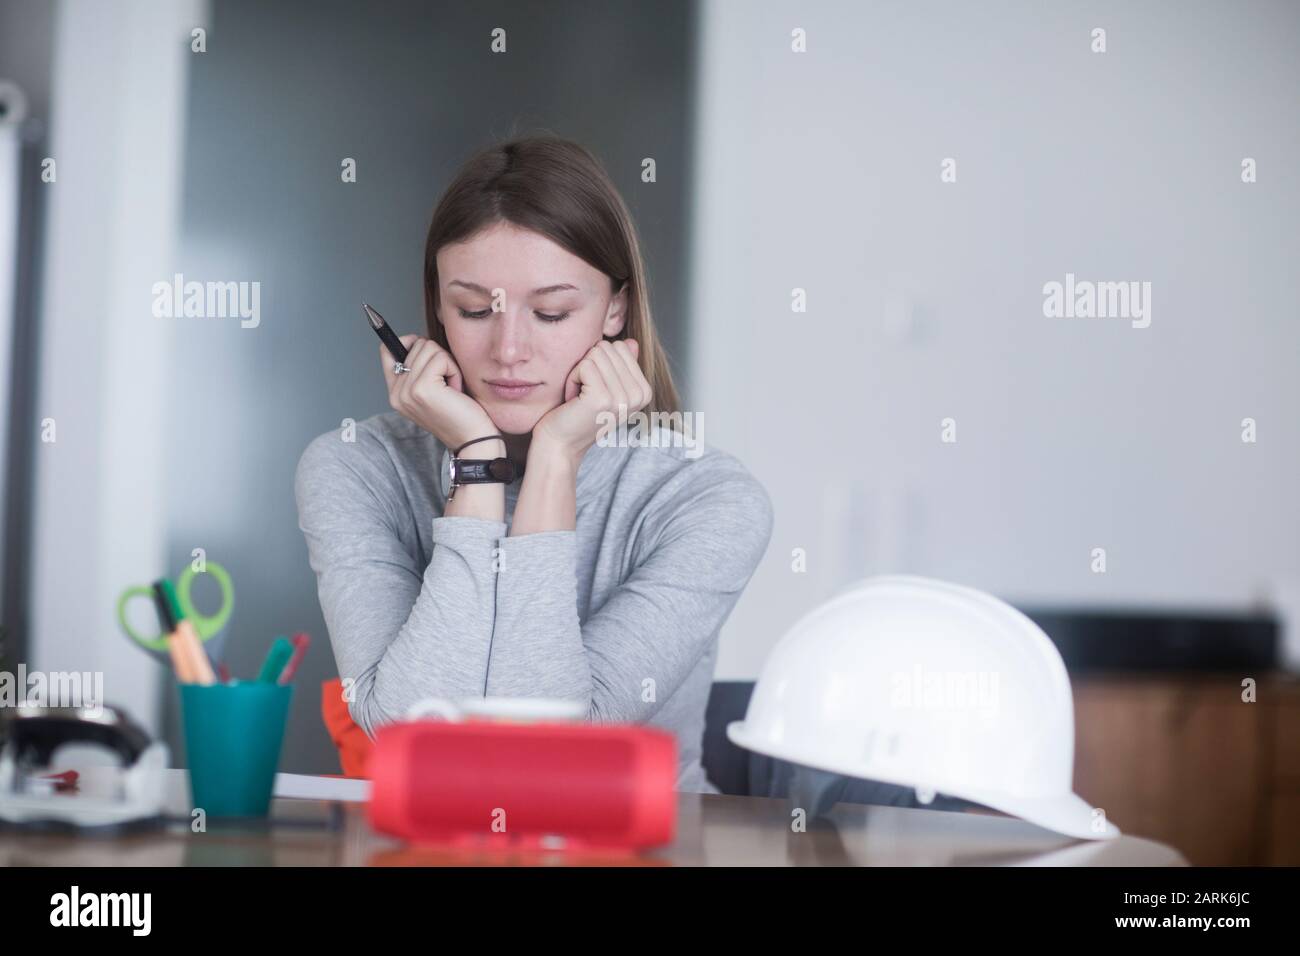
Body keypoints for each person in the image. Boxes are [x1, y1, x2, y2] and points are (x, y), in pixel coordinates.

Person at [294, 135, 773, 792]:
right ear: (437, 307)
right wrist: (479, 463)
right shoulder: (354, 469)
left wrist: (554, 460)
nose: (509, 349)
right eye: (471, 309)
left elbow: (548, 753)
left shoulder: (709, 501)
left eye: (550, 312)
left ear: (615, 311)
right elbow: (408, 729)